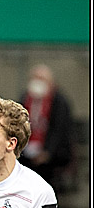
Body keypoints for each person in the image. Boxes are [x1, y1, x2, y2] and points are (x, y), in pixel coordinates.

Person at [19, 64, 74, 193]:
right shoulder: (25, 98)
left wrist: (47, 152)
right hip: (26, 151)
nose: (37, 82)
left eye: (41, 79)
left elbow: (59, 130)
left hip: (51, 155)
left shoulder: (59, 102)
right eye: (34, 78)